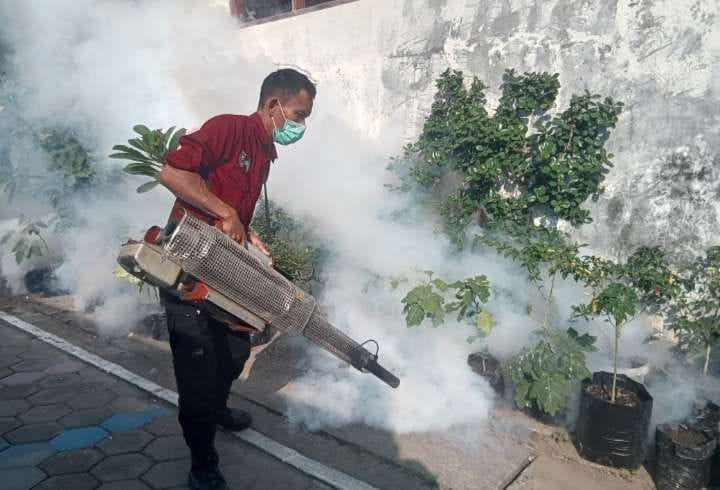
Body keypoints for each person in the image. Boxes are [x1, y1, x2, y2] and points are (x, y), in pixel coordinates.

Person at [158, 68, 315, 490]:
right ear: (272, 106)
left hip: (224, 270)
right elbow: (173, 174)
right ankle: (202, 463)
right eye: (298, 115)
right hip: (187, 269)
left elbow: (232, 207)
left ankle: (219, 409)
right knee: (196, 373)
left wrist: (249, 233)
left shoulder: (264, 152)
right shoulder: (229, 128)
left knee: (233, 351)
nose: (300, 126)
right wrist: (226, 213)